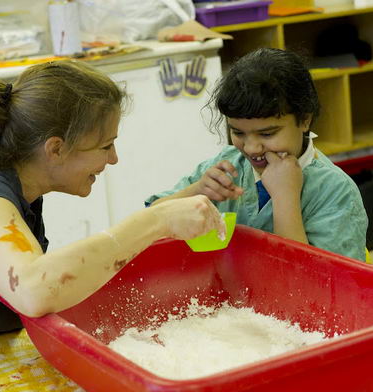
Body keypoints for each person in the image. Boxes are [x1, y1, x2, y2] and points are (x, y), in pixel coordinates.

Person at [0, 61, 226, 356]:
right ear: (55, 148)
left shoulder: (9, 162)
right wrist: (156, 220)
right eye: (105, 146)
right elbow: (34, 289)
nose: (113, 159)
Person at [146, 48, 368, 262]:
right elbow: (148, 224)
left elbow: (319, 287)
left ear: (304, 120)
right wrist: (196, 191)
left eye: (267, 133)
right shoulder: (228, 164)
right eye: (238, 132)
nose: (251, 148)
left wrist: (285, 198)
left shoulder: (336, 191)